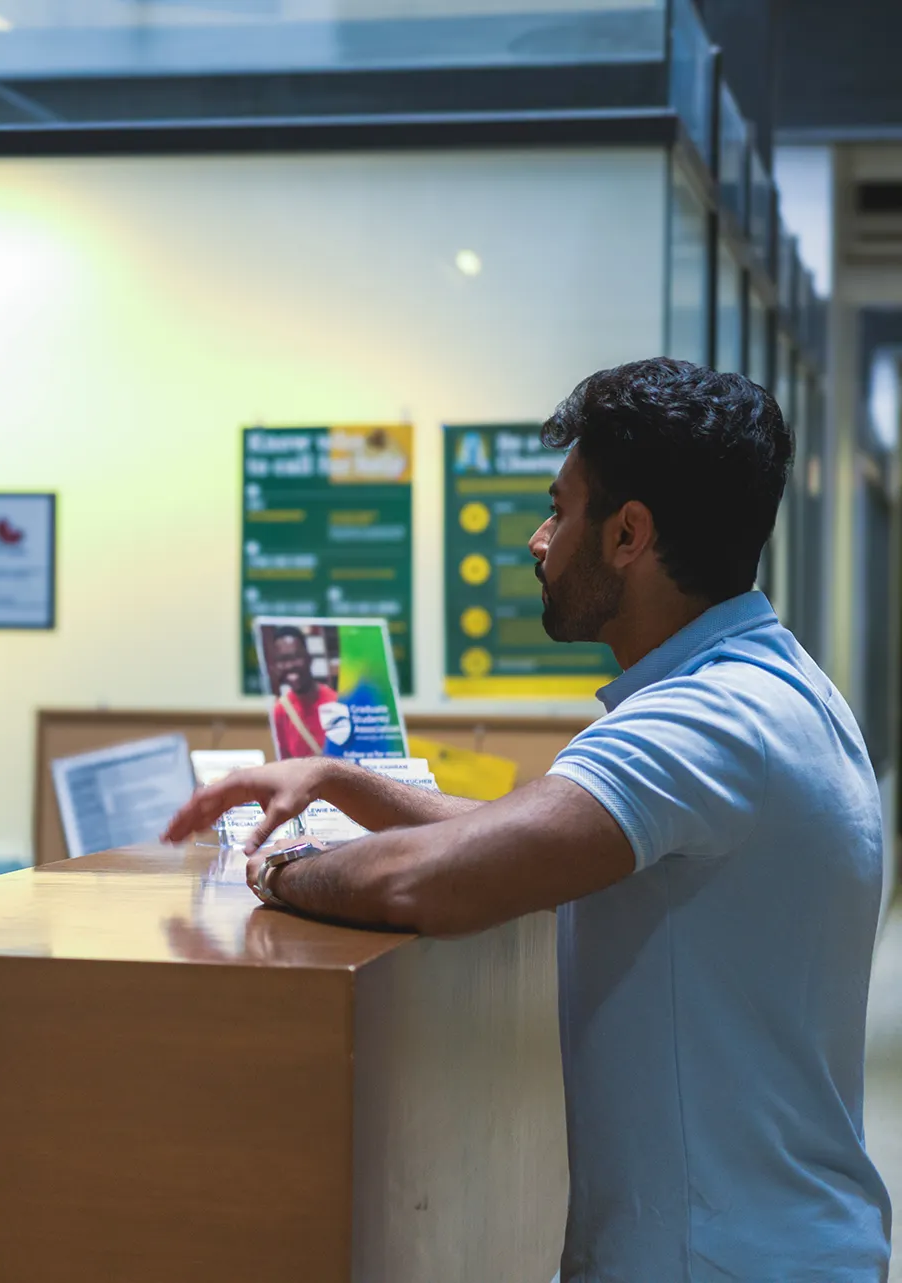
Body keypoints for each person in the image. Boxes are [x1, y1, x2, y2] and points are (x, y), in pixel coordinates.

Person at [165, 358, 889, 1280]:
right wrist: (343, 780)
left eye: (561, 509)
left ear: (629, 534)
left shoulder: (704, 723)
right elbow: (531, 835)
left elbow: (429, 879)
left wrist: (277, 867)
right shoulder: (772, 688)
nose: (541, 540)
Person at [267, 628, 338, 758]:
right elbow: (284, 764)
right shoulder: (281, 710)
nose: (289, 666)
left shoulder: (335, 702)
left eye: (295, 657)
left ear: (309, 658)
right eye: (282, 660)